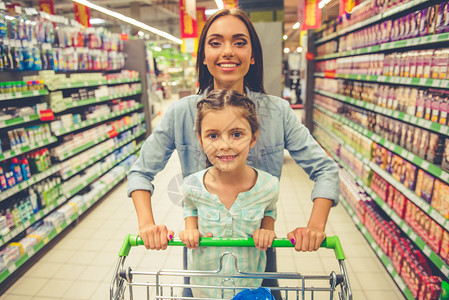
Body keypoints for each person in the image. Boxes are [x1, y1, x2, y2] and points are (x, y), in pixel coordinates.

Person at [127, 8, 339, 299]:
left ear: (253, 55)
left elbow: (325, 169)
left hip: (259, 252)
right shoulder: (181, 113)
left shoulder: (277, 113)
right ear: (203, 55)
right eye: (215, 42)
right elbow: (141, 171)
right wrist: (147, 225)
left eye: (239, 42)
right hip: (202, 254)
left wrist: (315, 226)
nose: (228, 51)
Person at [179, 89, 279, 298]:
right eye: (213, 135)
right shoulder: (192, 185)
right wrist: (190, 228)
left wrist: (267, 229)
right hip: (205, 291)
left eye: (236, 134)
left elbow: (269, 208)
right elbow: (190, 205)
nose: (225, 145)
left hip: (248, 289)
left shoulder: (268, 186)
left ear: (253, 138)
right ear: (200, 139)